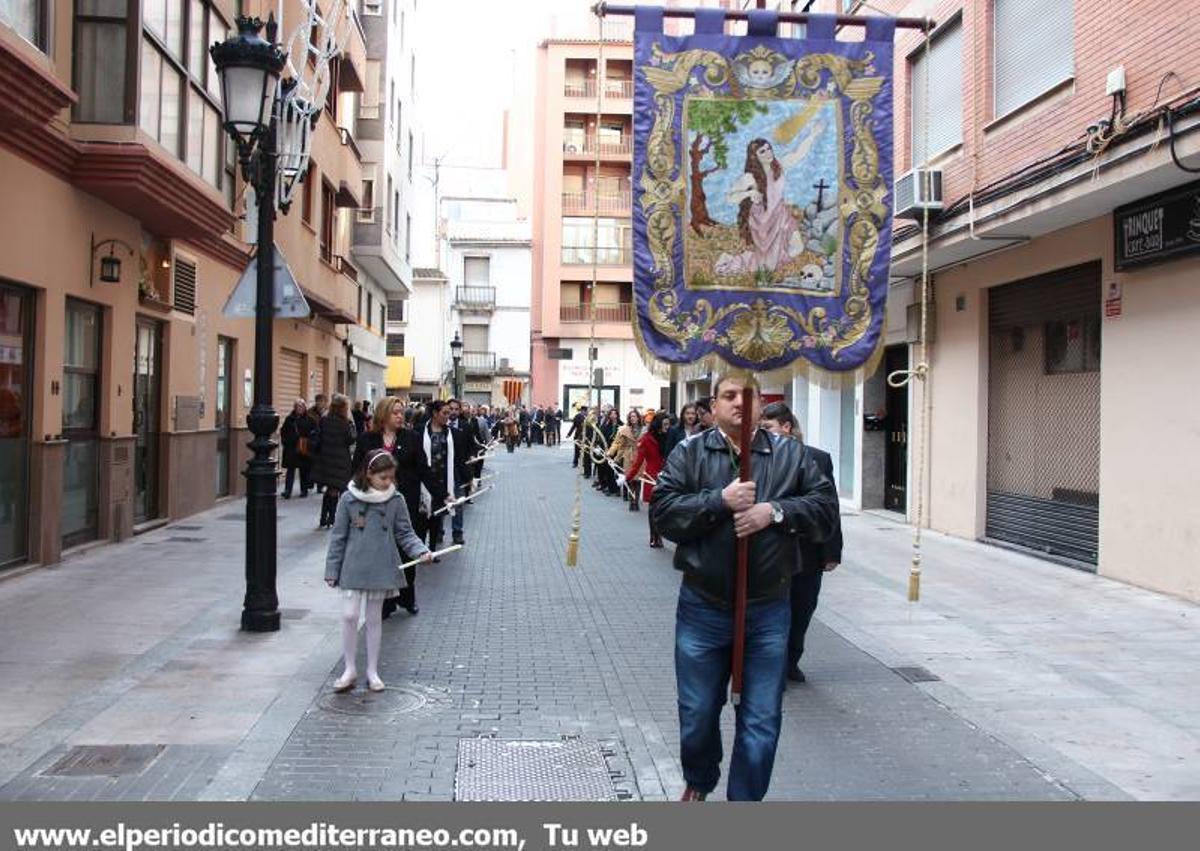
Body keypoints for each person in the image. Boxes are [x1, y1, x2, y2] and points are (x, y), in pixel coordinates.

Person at [651, 374, 838, 802]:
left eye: (747, 396)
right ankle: (700, 777)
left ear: (760, 404)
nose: (739, 403)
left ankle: (744, 803)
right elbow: (663, 511)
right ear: (713, 405)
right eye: (729, 396)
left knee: (761, 719)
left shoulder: (791, 455)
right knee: (697, 712)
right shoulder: (689, 452)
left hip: (768, 608)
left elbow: (824, 510)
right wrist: (720, 501)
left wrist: (773, 512)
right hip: (704, 605)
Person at [324, 449, 432, 693]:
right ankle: (349, 668)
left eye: (391, 478)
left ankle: (372, 671)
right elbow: (338, 537)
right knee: (350, 616)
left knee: (374, 619)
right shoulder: (349, 499)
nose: (388, 483)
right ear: (368, 473)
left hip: (381, 565)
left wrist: (421, 552)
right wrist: (332, 569)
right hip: (353, 566)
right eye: (383, 478)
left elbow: (405, 533)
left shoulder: (396, 500)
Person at [760, 401, 843, 684]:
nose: (765, 433)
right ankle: (776, 668)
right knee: (775, 611)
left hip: (808, 550)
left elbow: (830, 508)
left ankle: (792, 659)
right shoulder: (759, 458)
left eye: (769, 428)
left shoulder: (818, 459)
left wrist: (832, 551)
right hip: (772, 550)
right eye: (762, 428)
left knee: (803, 608)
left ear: (787, 427)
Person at [354, 396, 445, 617]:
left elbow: (424, 469)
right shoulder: (368, 440)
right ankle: (385, 601)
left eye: (401, 412)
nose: (399, 416)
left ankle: (407, 597)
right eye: (395, 412)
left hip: (405, 503)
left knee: (405, 550)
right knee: (382, 553)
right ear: (383, 415)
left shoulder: (411, 438)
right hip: (375, 504)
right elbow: (356, 470)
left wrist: (442, 494)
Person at [714, 126, 826, 278]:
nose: (768, 153)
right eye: (763, 151)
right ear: (755, 156)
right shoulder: (750, 177)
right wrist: (749, 193)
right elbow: (729, 197)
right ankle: (741, 261)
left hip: (781, 216)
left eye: (769, 149)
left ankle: (776, 258)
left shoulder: (779, 166)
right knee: (766, 266)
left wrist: (812, 135)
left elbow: (798, 154)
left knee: (798, 247)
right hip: (763, 222)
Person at [419, 400, 465, 552]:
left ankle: (433, 548)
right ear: (435, 413)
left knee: (438, 514)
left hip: (445, 478)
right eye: (445, 413)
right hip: (426, 478)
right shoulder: (421, 431)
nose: (448, 416)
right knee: (424, 513)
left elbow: (459, 457)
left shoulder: (452, 433)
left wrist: (466, 476)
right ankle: (420, 547)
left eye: (449, 413)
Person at [626, 411, 670, 547]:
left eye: (668, 424)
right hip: (652, 476)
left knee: (664, 508)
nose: (668, 427)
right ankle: (654, 537)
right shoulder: (646, 439)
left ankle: (660, 534)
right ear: (658, 424)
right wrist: (628, 477)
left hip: (668, 476)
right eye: (665, 424)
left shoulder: (669, 436)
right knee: (653, 509)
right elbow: (639, 461)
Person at [312, 394, 357, 528]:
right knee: (338, 490)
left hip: (326, 459)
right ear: (343, 408)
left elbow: (318, 439)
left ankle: (323, 517)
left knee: (331, 489)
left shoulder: (324, 421)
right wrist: (352, 426)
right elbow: (351, 439)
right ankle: (332, 518)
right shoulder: (345, 423)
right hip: (341, 460)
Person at [608, 409, 643, 511]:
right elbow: (618, 444)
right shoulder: (624, 430)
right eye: (631, 416)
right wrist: (612, 455)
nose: (633, 418)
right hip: (629, 457)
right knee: (631, 479)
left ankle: (636, 501)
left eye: (635, 416)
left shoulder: (645, 429)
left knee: (638, 480)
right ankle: (632, 501)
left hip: (640, 457)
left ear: (638, 418)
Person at [280, 399, 315, 499]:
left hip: (303, 447)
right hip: (291, 448)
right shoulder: (289, 419)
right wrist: (285, 442)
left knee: (303, 470)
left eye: (301, 406)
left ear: (304, 408)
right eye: (297, 406)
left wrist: (310, 442)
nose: (299, 408)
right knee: (290, 470)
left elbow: (315, 432)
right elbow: (283, 431)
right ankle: (288, 490)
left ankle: (304, 490)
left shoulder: (310, 419)